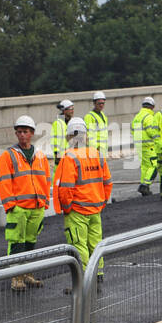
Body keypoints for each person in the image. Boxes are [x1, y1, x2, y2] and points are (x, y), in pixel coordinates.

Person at [0, 116, 51, 291]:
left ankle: (27, 273)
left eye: (25, 132)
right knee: (16, 243)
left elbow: (46, 179)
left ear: (32, 133)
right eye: (19, 132)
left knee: (30, 242)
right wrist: (11, 205)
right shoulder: (8, 156)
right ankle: (16, 277)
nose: (22, 135)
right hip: (18, 208)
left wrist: (44, 201)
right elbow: (4, 182)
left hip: (36, 207)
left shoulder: (39, 156)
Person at [54, 117, 112, 284]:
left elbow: (66, 187)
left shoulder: (69, 157)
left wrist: (67, 207)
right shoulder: (97, 154)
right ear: (85, 136)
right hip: (95, 209)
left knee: (79, 245)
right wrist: (102, 201)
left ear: (69, 137)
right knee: (95, 244)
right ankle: (98, 273)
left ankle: (84, 281)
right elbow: (107, 182)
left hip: (77, 210)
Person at [132, 96, 159, 195]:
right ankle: (145, 185)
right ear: (152, 107)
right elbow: (152, 132)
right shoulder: (149, 117)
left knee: (144, 167)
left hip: (139, 146)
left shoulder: (137, 117)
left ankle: (144, 188)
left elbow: (132, 130)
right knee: (153, 166)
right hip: (149, 146)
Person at [48, 100, 75, 167]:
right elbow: (55, 141)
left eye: (73, 108)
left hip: (69, 158)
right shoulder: (58, 123)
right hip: (61, 159)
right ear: (64, 110)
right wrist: (57, 155)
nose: (72, 111)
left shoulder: (70, 123)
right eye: (70, 109)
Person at [84, 92, 109, 159]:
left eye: (103, 103)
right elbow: (90, 136)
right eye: (99, 103)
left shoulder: (103, 115)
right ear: (94, 103)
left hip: (103, 150)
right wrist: (94, 150)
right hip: (96, 151)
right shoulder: (90, 117)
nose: (101, 105)